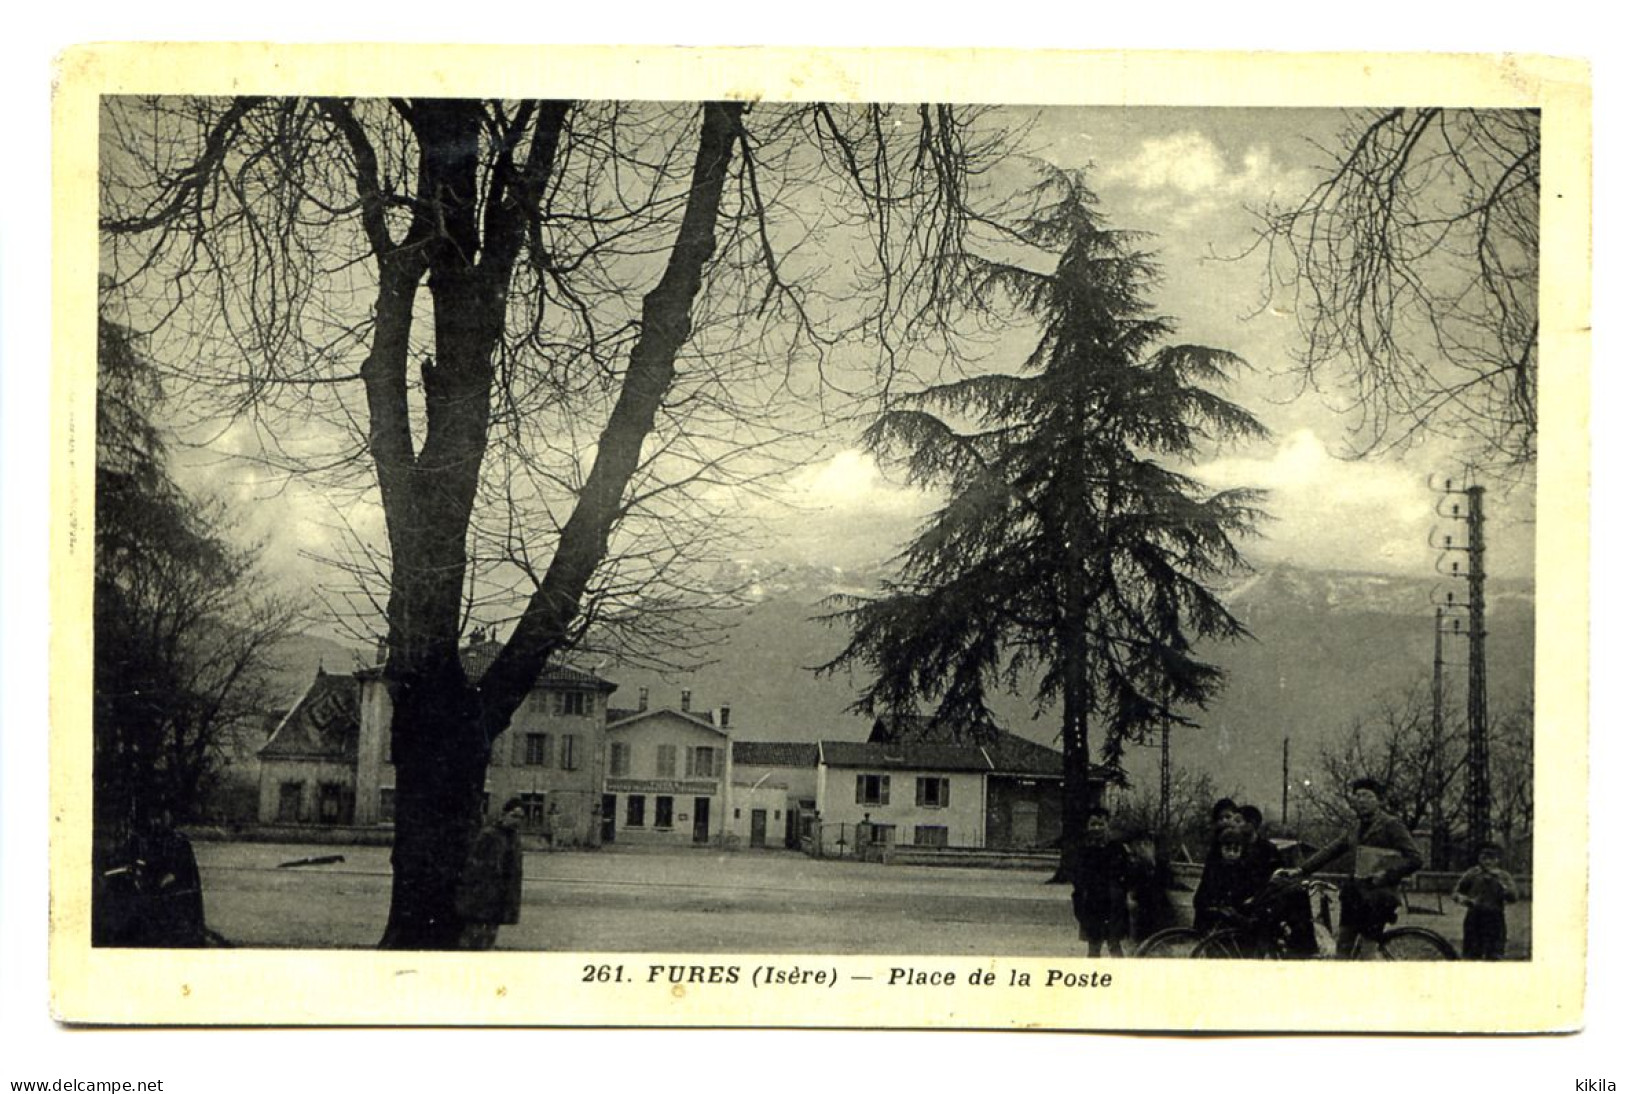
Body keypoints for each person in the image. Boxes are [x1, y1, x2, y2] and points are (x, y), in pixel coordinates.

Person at [1277, 776, 1423, 957]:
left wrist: (1387, 874)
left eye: (1367, 796)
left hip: (1379, 896)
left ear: (1379, 801)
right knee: (1343, 948)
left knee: (1368, 950)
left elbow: (1415, 859)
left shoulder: (1391, 825)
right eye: (1358, 796)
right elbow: (1331, 850)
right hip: (1355, 895)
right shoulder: (1354, 828)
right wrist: (1302, 870)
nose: (1361, 801)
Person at [455, 797, 526, 950]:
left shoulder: (514, 839)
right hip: (482, 895)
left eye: (521, 818)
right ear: (504, 814)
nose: (517, 821)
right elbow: (473, 866)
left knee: (491, 935)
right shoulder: (489, 835)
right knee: (474, 936)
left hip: (501, 896)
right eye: (514, 816)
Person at [1071, 806, 1131, 957]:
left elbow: (1126, 873)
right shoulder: (1083, 850)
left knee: (1114, 944)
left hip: (1113, 903)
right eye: (1093, 824)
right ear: (1087, 826)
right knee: (1094, 946)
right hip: (1092, 904)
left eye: (1101, 824)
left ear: (1107, 825)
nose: (1096, 828)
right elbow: (1077, 877)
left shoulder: (1117, 849)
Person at [1453, 840, 1519, 960]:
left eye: (1492, 858)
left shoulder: (1504, 876)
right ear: (1479, 858)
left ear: (1497, 860)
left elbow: (1514, 897)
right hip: (1474, 918)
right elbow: (1456, 893)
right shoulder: (1472, 874)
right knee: (1471, 955)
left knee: (1495, 955)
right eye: (1484, 858)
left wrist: (1501, 884)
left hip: (1495, 918)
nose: (1487, 862)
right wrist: (1464, 899)